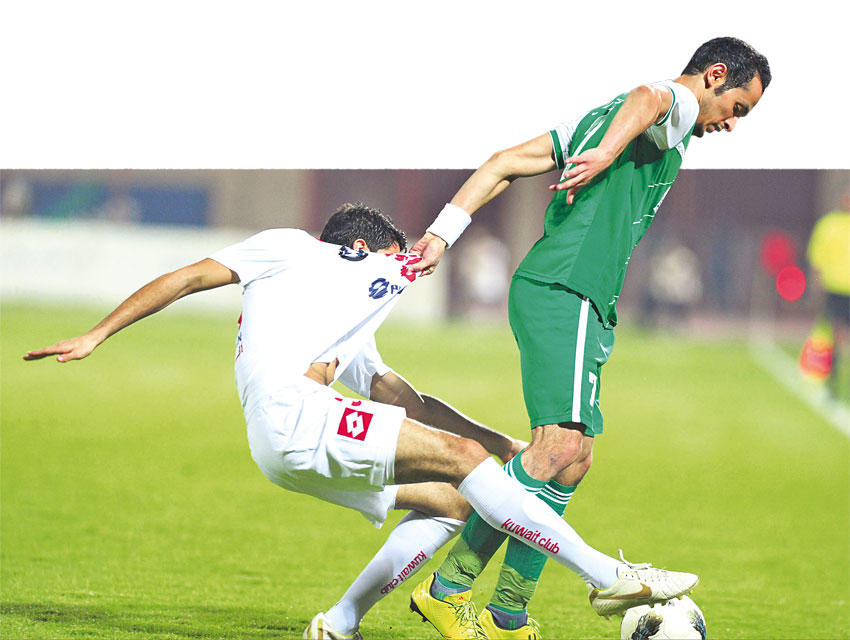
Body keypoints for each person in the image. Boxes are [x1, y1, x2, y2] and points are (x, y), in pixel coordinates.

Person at [25, 203, 697, 640]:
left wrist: (500, 443)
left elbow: (405, 399)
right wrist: (97, 333)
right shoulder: (290, 248)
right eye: (384, 258)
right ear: (356, 246)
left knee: (460, 499)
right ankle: (606, 577)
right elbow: (188, 276)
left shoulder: (336, 323)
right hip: (295, 413)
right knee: (465, 464)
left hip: (281, 442)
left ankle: (340, 622)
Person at [406, 36, 770, 639]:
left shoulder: (596, 121)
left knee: (572, 461)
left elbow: (502, 162)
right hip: (566, 287)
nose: (731, 124)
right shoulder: (671, 108)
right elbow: (652, 95)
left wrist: (442, 232)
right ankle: (447, 588)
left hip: (582, 297)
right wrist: (607, 151)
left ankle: (507, 614)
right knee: (553, 450)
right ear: (714, 76)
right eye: (737, 109)